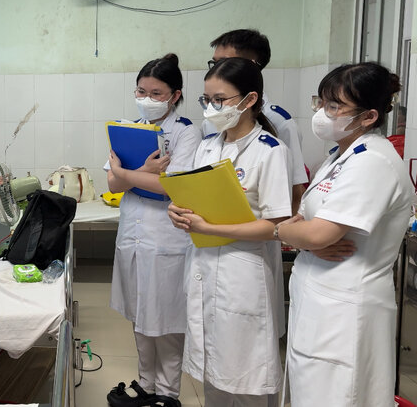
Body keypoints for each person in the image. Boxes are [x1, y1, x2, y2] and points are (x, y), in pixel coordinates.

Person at [275, 63, 411, 406]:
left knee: (340, 396)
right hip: (320, 299)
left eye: (335, 106)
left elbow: (318, 232)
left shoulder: (372, 161)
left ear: (369, 116)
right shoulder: (341, 155)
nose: (323, 113)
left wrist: (284, 230)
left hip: (346, 307)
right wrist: (303, 234)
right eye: (321, 102)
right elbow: (309, 224)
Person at [167, 58, 292, 406]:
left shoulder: (270, 151)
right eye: (206, 100)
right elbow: (191, 197)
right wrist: (177, 210)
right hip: (204, 264)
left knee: (246, 374)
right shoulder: (207, 146)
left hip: (243, 272)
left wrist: (210, 227)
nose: (211, 107)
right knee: (214, 372)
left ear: (249, 100)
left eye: (220, 100)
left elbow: (276, 225)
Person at [104, 54, 201, 407]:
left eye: (156, 93)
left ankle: (168, 392)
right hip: (133, 233)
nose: (147, 99)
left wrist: (129, 175)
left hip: (166, 237)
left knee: (167, 317)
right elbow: (112, 183)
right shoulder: (127, 128)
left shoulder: (187, 131)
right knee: (139, 314)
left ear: (175, 95)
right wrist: (143, 172)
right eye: (141, 91)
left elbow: (173, 187)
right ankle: (146, 383)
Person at [205, 29, 308, 213]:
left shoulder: (280, 123)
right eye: (214, 63)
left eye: (225, 62)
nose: (216, 69)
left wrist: (284, 229)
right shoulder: (212, 116)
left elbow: (294, 190)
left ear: (250, 65)